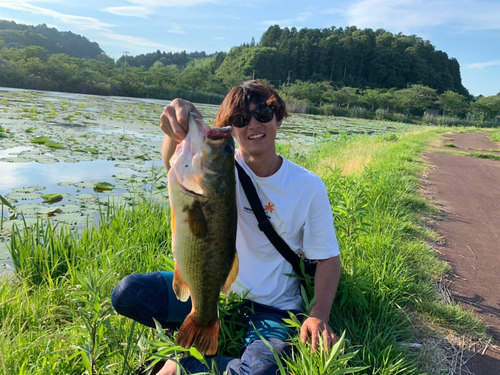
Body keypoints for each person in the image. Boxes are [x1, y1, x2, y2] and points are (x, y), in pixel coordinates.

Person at [111, 80, 341, 375]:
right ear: (231, 128)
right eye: (241, 119)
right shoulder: (217, 164)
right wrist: (178, 123)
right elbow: (173, 162)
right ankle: (201, 328)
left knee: (259, 372)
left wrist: (318, 314)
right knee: (128, 293)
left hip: (274, 306)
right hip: (212, 291)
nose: (253, 124)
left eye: (263, 114)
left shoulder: (308, 186)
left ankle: (181, 363)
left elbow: (328, 258)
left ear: (278, 118)